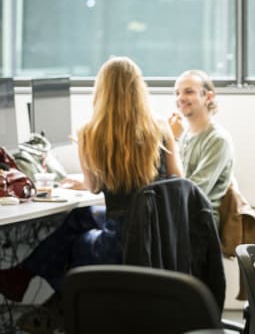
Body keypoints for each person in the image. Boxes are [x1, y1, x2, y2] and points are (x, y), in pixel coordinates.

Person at [0, 57, 182, 330]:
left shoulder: (91, 132)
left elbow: (96, 186)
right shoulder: (161, 127)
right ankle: (31, 285)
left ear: (101, 91)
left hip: (121, 245)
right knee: (82, 214)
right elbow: (178, 181)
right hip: (158, 236)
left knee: (76, 244)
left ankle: (60, 306)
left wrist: (86, 151)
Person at [168, 70, 234, 228]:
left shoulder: (218, 140)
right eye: (177, 93)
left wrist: (170, 140)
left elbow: (192, 192)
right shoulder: (185, 136)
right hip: (178, 216)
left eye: (188, 92)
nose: (180, 98)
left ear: (208, 97)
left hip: (198, 224)